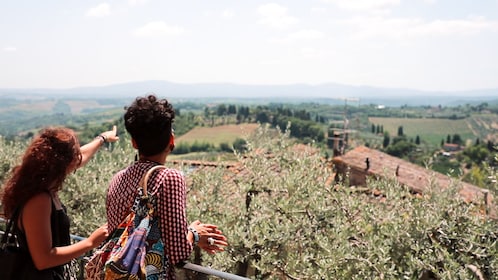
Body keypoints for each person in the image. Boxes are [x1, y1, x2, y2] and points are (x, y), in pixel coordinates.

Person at [106, 94, 228, 279]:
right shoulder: (169, 178)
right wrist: (194, 234)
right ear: (171, 140)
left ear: (134, 143)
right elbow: (178, 252)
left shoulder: (117, 178)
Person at [0, 125, 119, 279]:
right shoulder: (39, 200)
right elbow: (43, 259)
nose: (78, 159)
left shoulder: (41, 184)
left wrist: (102, 138)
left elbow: (82, 156)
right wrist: (90, 242)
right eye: (74, 155)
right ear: (62, 162)